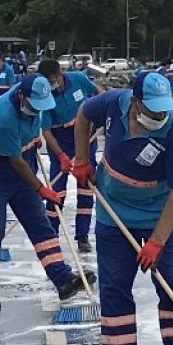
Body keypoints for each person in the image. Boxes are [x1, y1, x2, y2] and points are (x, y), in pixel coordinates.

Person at [71, 71, 173, 345]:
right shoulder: (111, 103)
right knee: (115, 287)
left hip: (161, 213)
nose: (159, 116)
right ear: (134, 102)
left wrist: (157, 243)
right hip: (114, 212)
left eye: (163, 110)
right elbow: (82, 116)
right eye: (153, 110)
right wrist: (83, 160)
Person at [0, 73, 96, 309]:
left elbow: (33, 136)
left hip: (25, 160)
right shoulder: (3, 115)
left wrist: (34, 139)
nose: (37, 110)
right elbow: (15, 162)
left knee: (40, 225)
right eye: (33, 106)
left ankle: (62, 279)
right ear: (21, 96)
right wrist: (41, 189)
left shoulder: (36, 96)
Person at [35, 59, 102, 253]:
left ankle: (82, 236)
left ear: (59, 74)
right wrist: (61, 155)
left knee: (86, 188)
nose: (51, 84)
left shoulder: (78, 79)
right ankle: (51, 237)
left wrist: (107, 112)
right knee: (57, 192)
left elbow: (98, 92)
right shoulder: (45, 95)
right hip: (60, 140)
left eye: (52, 80)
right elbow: (46, 130)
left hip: (85, 136)